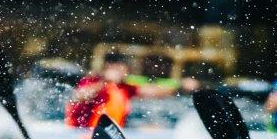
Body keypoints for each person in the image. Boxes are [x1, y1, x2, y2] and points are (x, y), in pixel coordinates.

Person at [64, 52, 197, 128]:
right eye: (122, 69)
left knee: (152, 128)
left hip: (107, 136)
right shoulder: (93, 81)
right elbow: (78, 96)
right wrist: (105, 80)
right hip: (81, 134)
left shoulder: (124, 87)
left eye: (126, 70)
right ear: (109, 67)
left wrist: (180, 86)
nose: (125, 73)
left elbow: (151, 91)